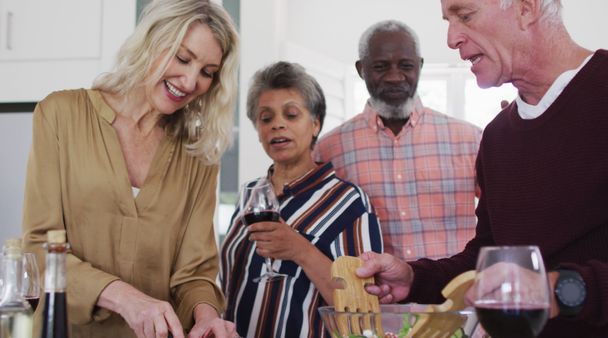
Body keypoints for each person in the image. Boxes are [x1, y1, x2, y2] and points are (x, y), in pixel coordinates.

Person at [356, 0, 608, 336]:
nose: (451, 38)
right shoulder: (497, 136)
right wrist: (414, 278)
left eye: (464, 15)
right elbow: (486, 258)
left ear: (526, 8)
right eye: (448, 20)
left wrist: (558, 289)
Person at [21, 1, 240, 337]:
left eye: (208, 72)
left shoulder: (198, 154)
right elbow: (38, 249)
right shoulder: (61, 115)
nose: (191, 80)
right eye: (183, 58)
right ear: (151, 41)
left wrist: (207, 317)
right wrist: (125, 298)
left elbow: (194, 273)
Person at [220, 61, 383, 338]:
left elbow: (361, 310)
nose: (277, 125)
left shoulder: (349, 202)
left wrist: (301, 251)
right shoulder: (250, 197)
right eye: (266, 118)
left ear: (316, 123)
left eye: (292, 114)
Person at [314, 20, 482, 261]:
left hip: (454, 296)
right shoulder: (329, 150)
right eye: (381, 66)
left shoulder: (469, 140)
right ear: (362, 69)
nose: (394, 77)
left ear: (420, 67)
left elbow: (505, 218)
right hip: (374, 297)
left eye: (405, 65)